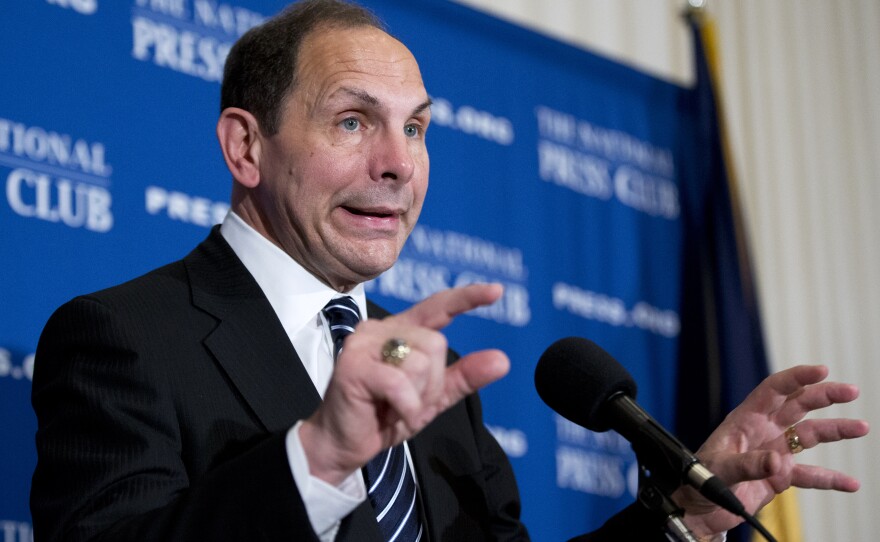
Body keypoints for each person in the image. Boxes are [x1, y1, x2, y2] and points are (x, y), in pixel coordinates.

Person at [30, 1, 869, 541]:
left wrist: (683, 512)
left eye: (419, 129)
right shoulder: (124, 338)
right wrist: (318, 456)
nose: (400, 165)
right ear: (247, 147)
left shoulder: (423, 373)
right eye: (354, 122)